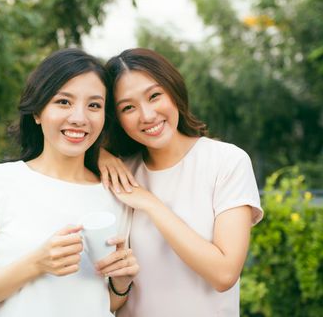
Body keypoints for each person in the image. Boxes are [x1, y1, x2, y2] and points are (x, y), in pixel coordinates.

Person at [0, 49, 139, 317]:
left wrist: (120, 284)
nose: (79, 117)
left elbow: (105, 303)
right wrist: (36, 264)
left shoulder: (116, 194)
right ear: (37, 112)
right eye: (63, 102)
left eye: (94, 105)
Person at [97, 48, 263, 317]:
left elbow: (224, 273)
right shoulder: (119, 173)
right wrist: (97, 153)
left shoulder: (226, 161)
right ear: (116, 119)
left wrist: (151, 204)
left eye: (154, 96)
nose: (147, 115)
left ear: (173, 90)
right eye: (128, 107)